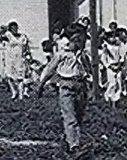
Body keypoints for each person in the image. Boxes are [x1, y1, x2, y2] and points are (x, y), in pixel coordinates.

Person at [38, 23, 90, 153]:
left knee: (79, 115)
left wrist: (91, 82)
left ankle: (69, 138)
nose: (80, 42)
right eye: (77, 39)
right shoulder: (62, 54)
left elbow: (89, 68)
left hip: (81, 86)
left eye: (82, 39)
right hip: (66, 86)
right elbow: (50, 69)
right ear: (70, 39)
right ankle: (74, 146)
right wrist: (41, 85)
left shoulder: (82, 54)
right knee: (69, 116)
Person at [0, 21, 30, 100]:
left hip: (19, 59)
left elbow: (26, 47)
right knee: (10, 76)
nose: (14, 29)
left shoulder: (22, 36)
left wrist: (27, 55)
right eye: (12, 28)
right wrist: (2, 30)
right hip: (10, 59)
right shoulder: (8, 35)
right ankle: (14, 92)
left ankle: (21, 95)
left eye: (15, 27)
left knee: (20, 77)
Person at [101, 31, 124, 106]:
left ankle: (116, 102)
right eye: (111, 37)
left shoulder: (118, 45)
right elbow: (103, 59)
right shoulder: (106, 46)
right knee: (112, 84)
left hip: (118, 66)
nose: (112, 38)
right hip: (110, 67)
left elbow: (121, 56)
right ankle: (108, 100)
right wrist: (109, 66)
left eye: (113, 37)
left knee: (119, 84)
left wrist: (119, 65)